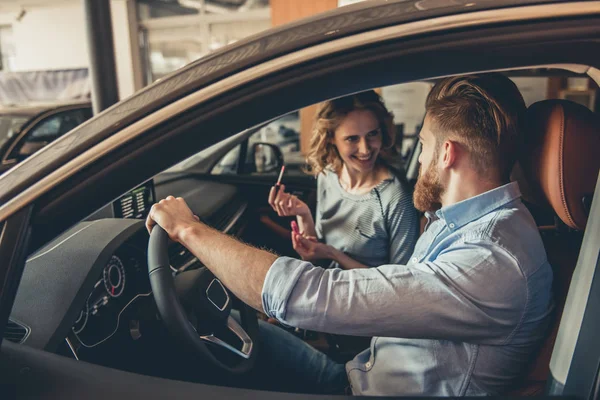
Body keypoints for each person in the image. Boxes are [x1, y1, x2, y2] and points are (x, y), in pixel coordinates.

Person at [146, 74, 554, 396]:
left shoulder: (491, 260)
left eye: (425, 146)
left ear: (447, 154)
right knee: (231, 330)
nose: (420, 157)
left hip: (358, 382)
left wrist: (188, 228)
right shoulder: (466, 223)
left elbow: (311, 294)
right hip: (359, 369)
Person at [268, 91, 419, 270]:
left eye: (372, 134)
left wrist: (334, 254)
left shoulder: (396, 198)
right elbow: (317, 258)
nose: (365, 149)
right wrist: (303, 214)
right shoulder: (328, 175)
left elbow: (400, 283)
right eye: (352, 138)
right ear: (331, 137)